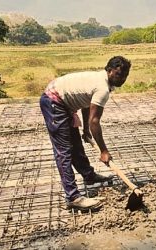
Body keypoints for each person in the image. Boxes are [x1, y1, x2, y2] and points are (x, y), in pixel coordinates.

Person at [40, 56, 131, 210]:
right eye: (118, 74)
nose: (122, 79)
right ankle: (73, 197)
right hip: (54, 102)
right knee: (64, 152)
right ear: (109, 71)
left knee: (75, 144)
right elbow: (95, 121)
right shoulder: (102, 88)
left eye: (125, 76)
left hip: (61, 101)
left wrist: (86, 131)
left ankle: (89, 175)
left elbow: (86, 104)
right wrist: (104, 151)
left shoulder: (100, 81)